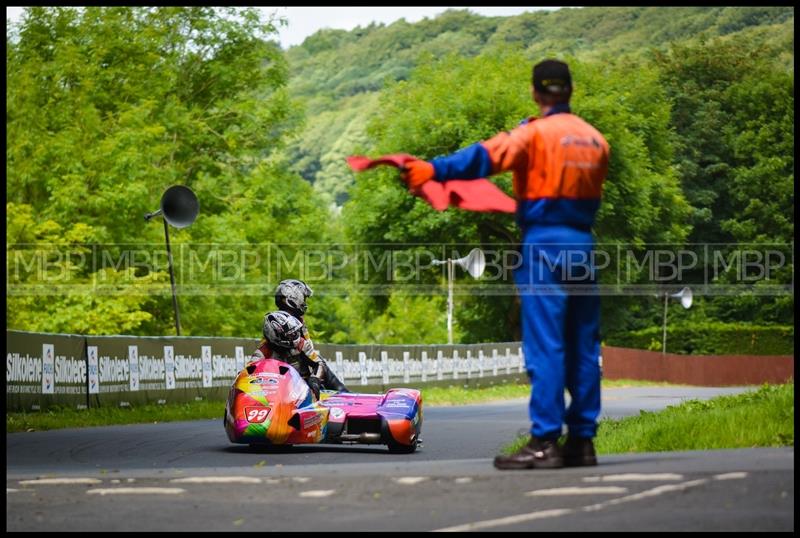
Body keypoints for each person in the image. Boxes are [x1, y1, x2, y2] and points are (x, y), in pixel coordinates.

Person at [400, 60, 609, 469]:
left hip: (544, 244)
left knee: (546, 345)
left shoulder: (532, 134)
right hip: (583, 245)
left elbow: (483, 158)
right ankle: (582, 442)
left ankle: (545, 441)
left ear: (536, 92)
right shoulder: (596, 140)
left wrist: (434, 169)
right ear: (569, 90)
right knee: (583, 346)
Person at [273, 279, 349, 393]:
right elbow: (261, 353)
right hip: (282, 381)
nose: (305, 302)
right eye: (304, 298)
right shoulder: (276, 323)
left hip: (301, 381)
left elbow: (312, 355)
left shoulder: (299, 321)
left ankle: (346, 395)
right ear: (294, 298)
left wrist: (315, 378)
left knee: (320, 363)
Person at [251, 310, 325, 399]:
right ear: (275, 335)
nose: (294, 335)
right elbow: (248, 373)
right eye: (289, 335)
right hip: (275, 394)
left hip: (302, 391)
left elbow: (319, 363)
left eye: (294, 332)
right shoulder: (262, 352)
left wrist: (314, 380)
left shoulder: (301, 344)